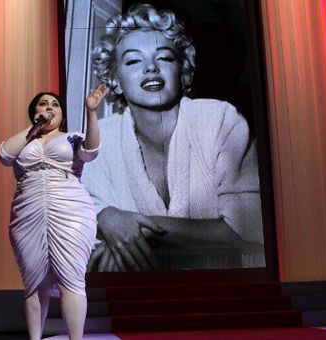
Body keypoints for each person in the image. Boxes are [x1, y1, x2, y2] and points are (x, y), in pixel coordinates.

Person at [83, 4, 264, 272]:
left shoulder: (220, 121)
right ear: (115, 79)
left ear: (182, 70)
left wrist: (138, 229)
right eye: (133, 61)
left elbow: (249, 230)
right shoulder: (102, 139)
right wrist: (105, 217)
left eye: (165, 58)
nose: (151, 68)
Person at [0, 87, 105, 340]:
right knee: (35, 281)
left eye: (55, 105)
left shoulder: (72, 138)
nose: (49, 108)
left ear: (62, 115)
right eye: (43, 105)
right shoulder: (24, 140)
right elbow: (4, 155)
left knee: (71, 277)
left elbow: (91, 151)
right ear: (34, 113)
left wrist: (91, 111)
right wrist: (33, 130)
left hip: (70, 208)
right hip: (28, 209)